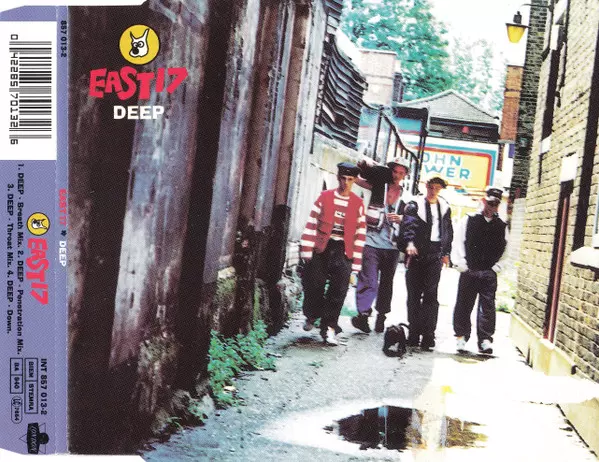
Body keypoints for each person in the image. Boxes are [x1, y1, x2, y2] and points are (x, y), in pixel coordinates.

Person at [299, 162, 367, 345]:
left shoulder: (358, 204)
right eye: (343, 178)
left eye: (350, 179)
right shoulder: (325, 197)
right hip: (322, 246)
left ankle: (329, 327)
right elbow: (312, 222)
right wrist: (307, 249)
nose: (346, 183)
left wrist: (356, 264)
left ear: (354, 181)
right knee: (314, 284)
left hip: (344, 249)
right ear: (338, 178)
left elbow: (360, 234)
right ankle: (312, 315)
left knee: (339, 289)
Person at [350, 156, 410, 334]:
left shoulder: (407, 196)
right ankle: (363, 314)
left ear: (405, 175)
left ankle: (381, 316)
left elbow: (412, 219)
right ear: (390, 171)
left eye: (401, 173)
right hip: (371, 242)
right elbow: (357, 179)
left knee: (386, 283)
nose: (397, 175)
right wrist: (364, 165)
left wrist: (402, 218)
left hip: (392, 246)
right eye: (395, 171)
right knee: (368, 279)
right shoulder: (378, 185)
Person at [451, 186, 509, 355]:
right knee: (464, 304)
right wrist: (462, 264)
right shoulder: (469, 220)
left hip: (488, 273)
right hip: (470, 270)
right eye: (490, 203)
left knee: (488, 307)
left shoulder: (502, 226)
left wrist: (497, 268)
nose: (492, 207)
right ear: (484, 201)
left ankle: (485, 340)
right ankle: (461, 337)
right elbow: (458, 241)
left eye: (495, 204)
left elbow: (507, 250)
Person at [400, 174, 453, 350]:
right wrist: (409, 243)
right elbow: (408, 225)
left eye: (437, 188)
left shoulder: (444, 207)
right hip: (417, 253)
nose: (434, 191)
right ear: (426, 186)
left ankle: (429, 335)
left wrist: (446, 252)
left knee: (431, 295)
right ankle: (414, 333)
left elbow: (448, 231)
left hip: (434, 254)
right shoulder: (415, 205)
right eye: (431, 187)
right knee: (414, 295)